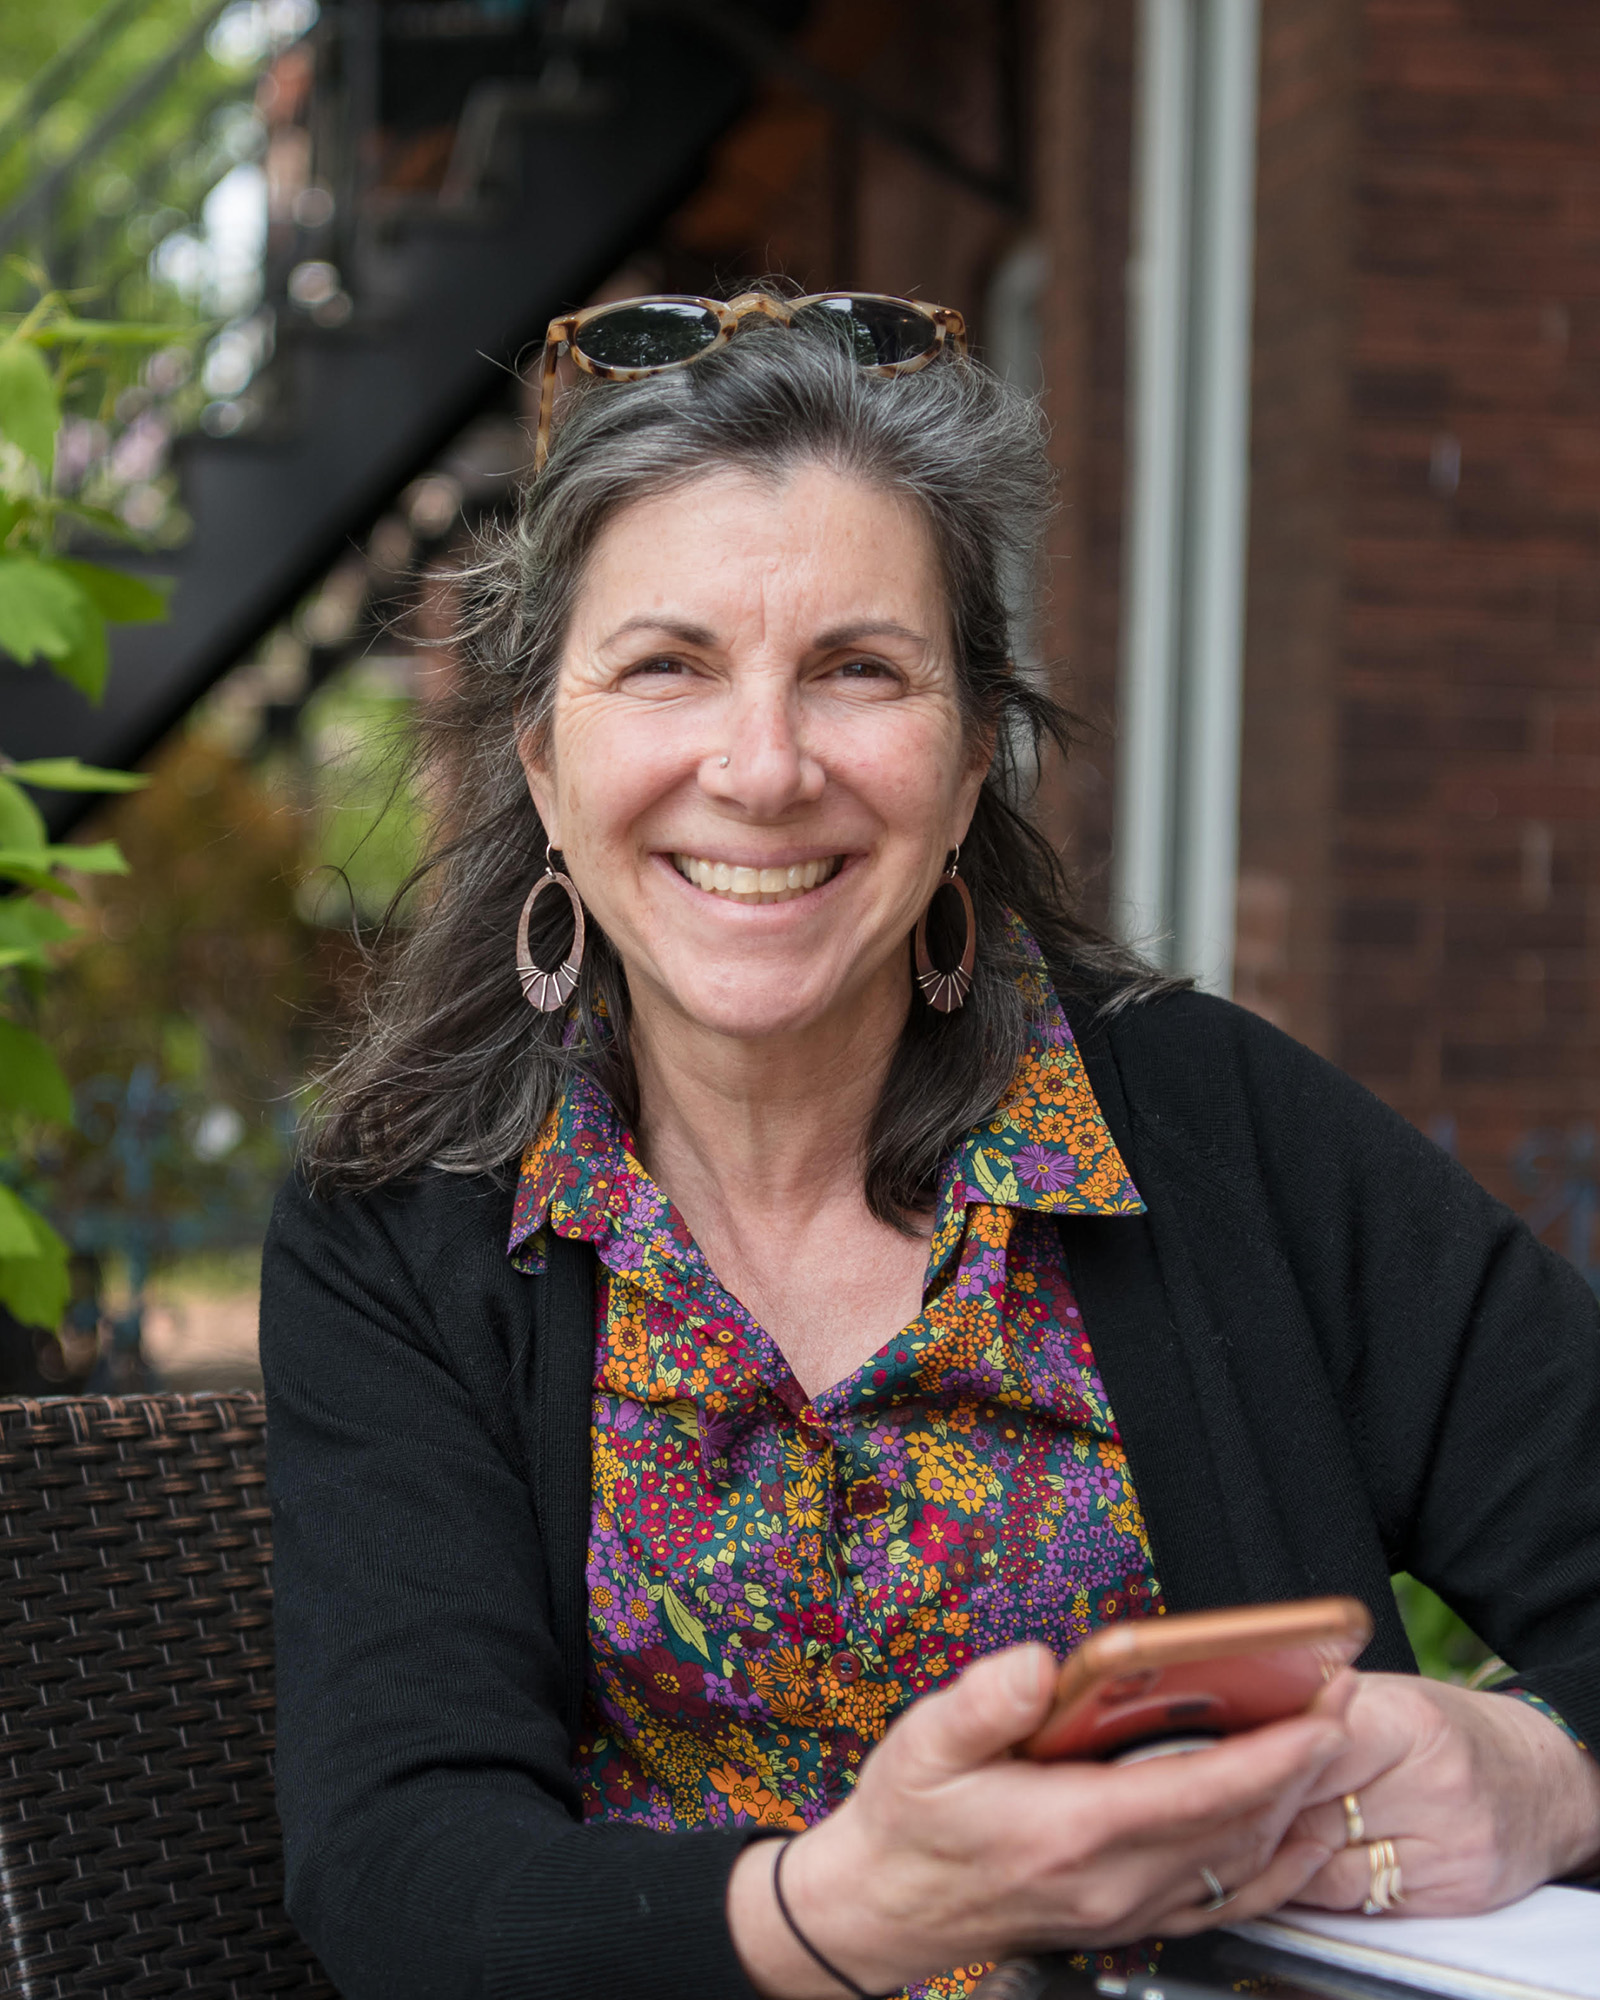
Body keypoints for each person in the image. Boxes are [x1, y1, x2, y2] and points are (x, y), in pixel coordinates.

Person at [260, 288, 1600, 2000]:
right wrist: (841, 1911)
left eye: (858, 671)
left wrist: (1543, 1774)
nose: (762, 768)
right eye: (667, 664)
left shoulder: (1213, 1131)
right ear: (544, 753)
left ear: (971, 761)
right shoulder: (401, 1227)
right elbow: (403, 1870)